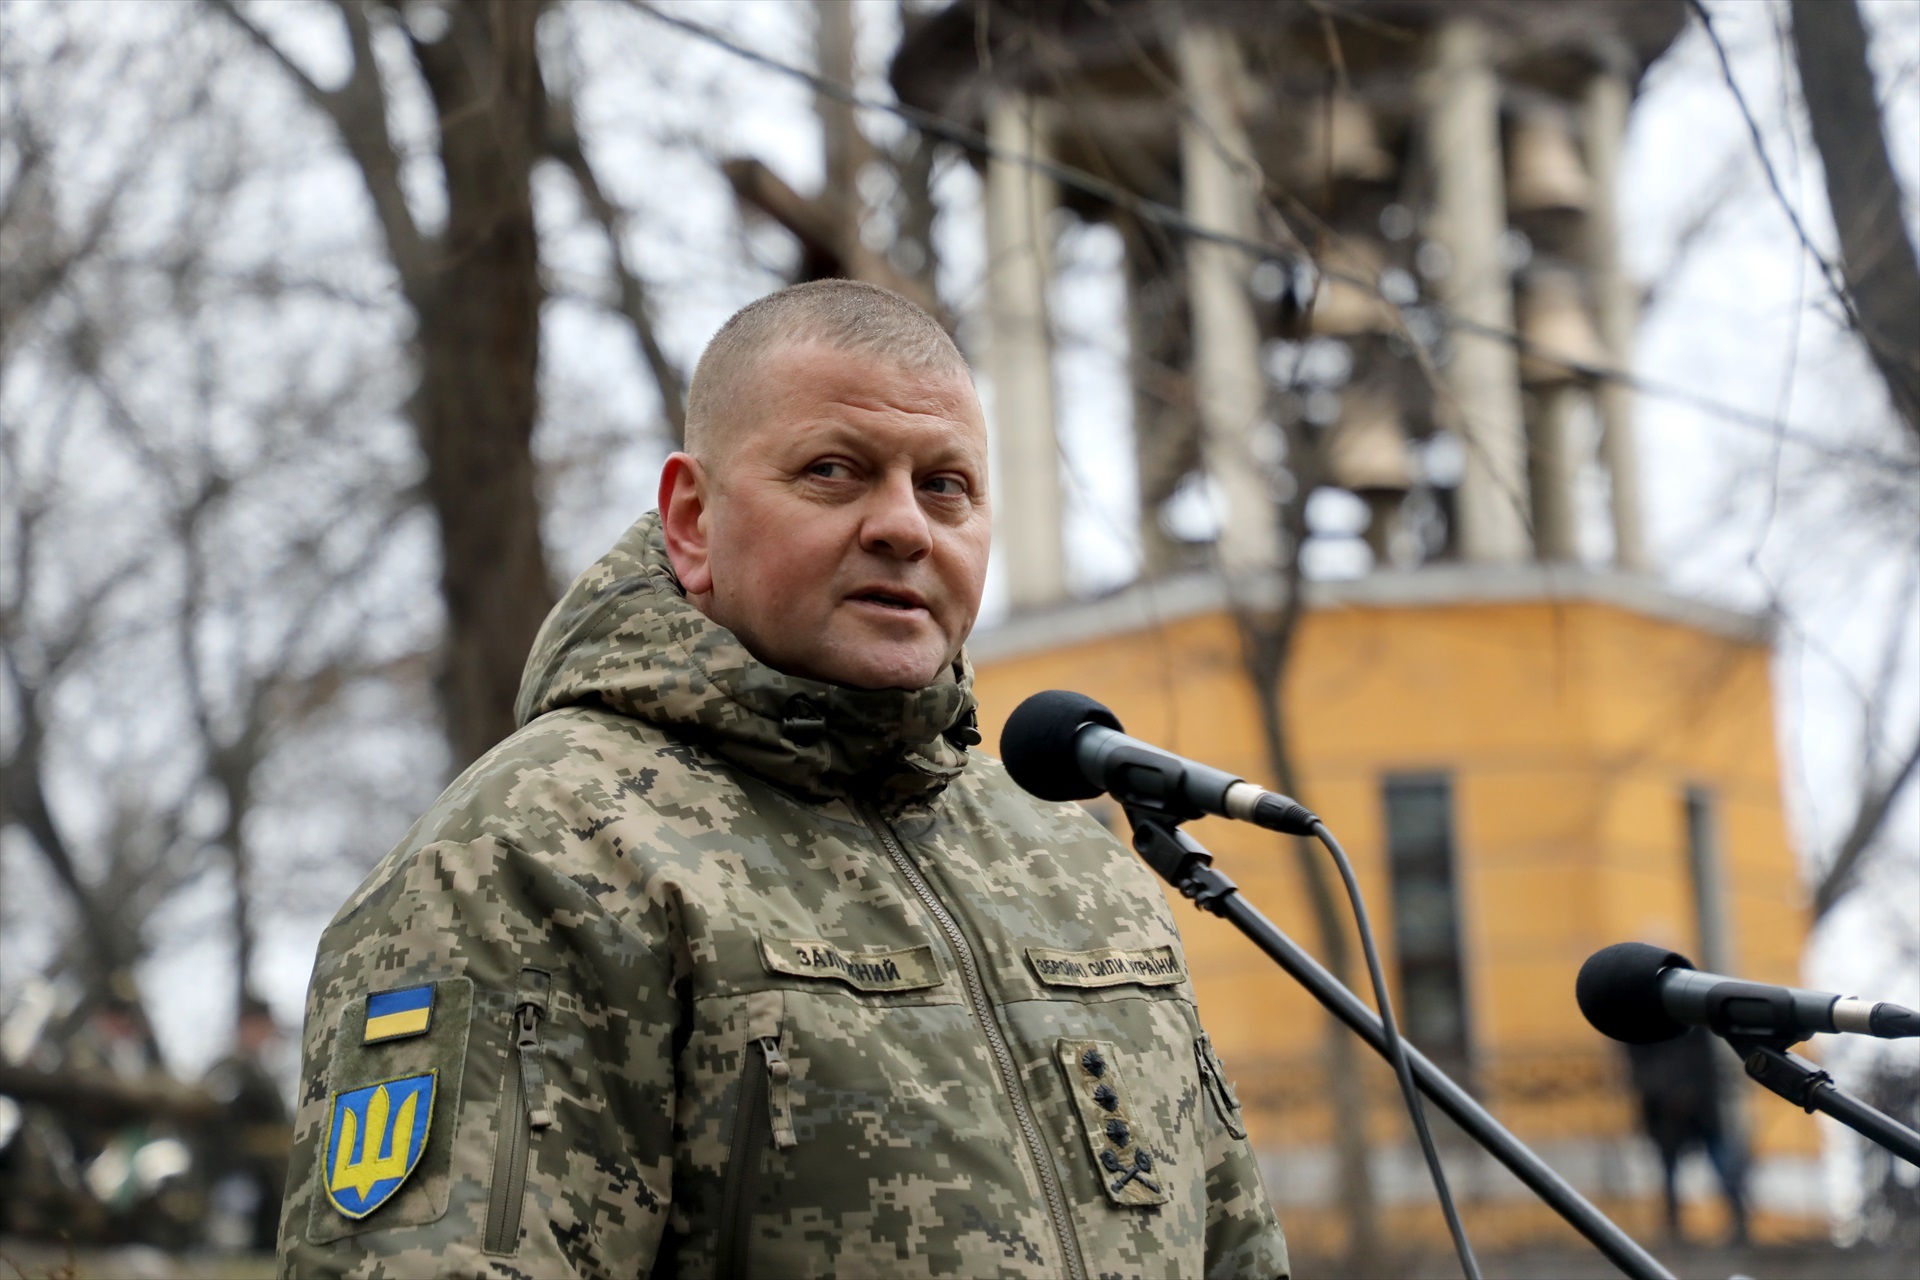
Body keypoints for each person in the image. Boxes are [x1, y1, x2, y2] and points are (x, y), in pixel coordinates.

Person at [275, 280, 1289, 1278]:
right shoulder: (536, 849)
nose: (905, 526)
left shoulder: (1071, 856)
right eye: (835, 471)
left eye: (945, 486)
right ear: (692, 519)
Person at [1626, 1026, 1749, 1245]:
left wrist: (1690, 1090)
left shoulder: (1683, 1017)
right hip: (1665, 1106)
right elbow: (1638, 1063)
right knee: (1670, 1167)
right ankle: (1674, 1229)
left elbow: (1702, 1056)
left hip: (1698, 1102)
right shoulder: (1638, 1023)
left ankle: (1738, 1222)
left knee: (1718, 1159)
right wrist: (1665, 1092)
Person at [203, 994, 292, 1251]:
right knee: (233, 1240)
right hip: (234, 1169)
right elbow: (218, 1117)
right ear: (246, 1026)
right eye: (261, 1025)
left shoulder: (260, 1069)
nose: (267, 1033)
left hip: (263, 1174)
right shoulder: (231, 1067)